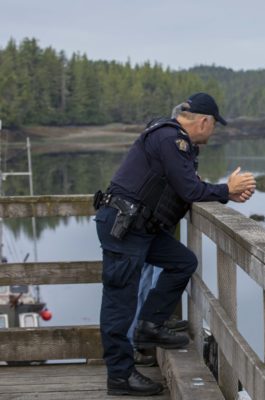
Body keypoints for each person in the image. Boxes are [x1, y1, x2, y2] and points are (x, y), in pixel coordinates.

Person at [94, 92, 255, 396]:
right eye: (214, 125)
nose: (213, 130)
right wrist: (227, 188)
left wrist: (224, 192)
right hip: (124, 228)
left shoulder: (170, 136)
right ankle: (119, 377)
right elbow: (190, 189)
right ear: (205, 122)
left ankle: (148, 326)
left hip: (137, 228)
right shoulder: (171, 139)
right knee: (120, 301)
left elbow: (186, 186)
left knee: (182, 262)